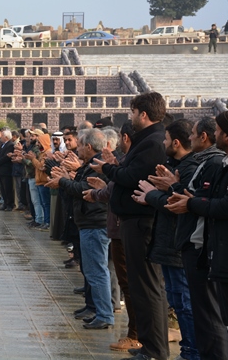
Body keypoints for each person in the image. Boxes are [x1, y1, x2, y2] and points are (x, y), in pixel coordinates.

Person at [91, 91, 169, 360]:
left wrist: (109, 170)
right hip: (131, 221)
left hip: (141, 222)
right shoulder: (147, 140)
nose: (131, 117)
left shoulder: (152, 142)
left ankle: (153, 348)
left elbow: (132, 176)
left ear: (143, 114)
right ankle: (149, 346)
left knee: (146, 288)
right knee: (140, 286)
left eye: (133, 112)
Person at [133, 119, 200, 360]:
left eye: (166, 139)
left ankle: (192, 351)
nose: (163, 143)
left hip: (179, 243)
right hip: (168, 242)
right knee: (177, 300)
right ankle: (188, 349)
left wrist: (157, 194)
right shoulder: (173, 164)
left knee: (185, 301)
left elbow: (183, 203)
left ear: (176, 142)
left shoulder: (192, 167)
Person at [164, 115, 228, 360]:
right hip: (209, 247)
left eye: (221, 130)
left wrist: (187, 200)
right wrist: (178, 190)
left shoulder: (213, 162)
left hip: (206, 246)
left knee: (208, 315)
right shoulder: (211, 162)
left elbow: (218, 204)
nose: (190, 138)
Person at [48, 129, 114, 329]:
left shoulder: (97, 165)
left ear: (89, 146)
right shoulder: (90, 164)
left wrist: (63, 181)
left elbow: (84, 189)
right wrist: (67, 176)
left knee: (97, 271)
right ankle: (97, 309)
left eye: (80, 144)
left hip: (95, 222)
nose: (77, 148)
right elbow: (80, 184)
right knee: (92, 269)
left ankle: (104, 313)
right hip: (88, 221)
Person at [0, 129, 15, 211]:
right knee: (2, 188)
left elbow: (6, 157)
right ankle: (5, 203)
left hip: (6, 169)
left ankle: (9, 204)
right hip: (0, 169)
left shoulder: (10, 145)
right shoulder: (2, 145)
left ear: (6, 137)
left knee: (7, 188)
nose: (0, 137)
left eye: (2, 136)